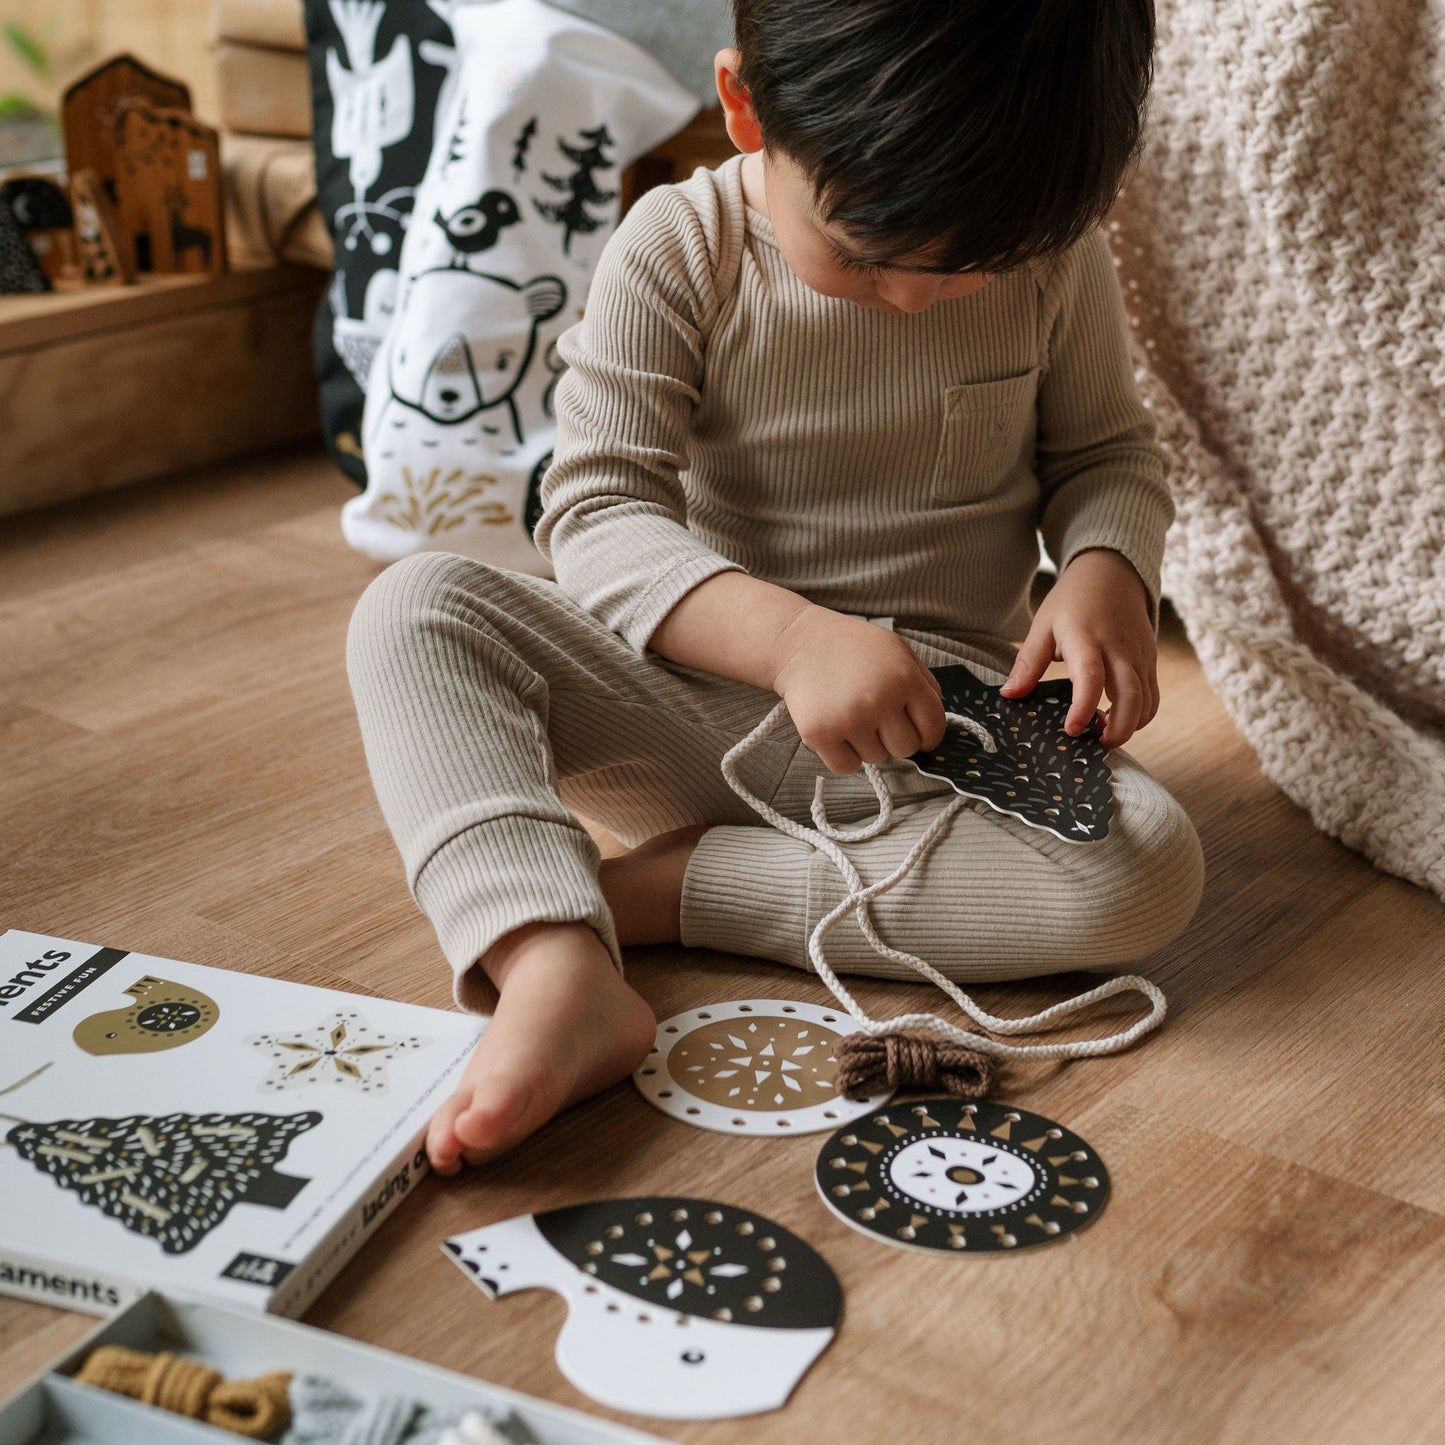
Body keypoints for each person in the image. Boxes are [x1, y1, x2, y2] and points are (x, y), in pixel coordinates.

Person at [347, 0, 1204, 1173]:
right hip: (702, 704)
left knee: (1148, 872)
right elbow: (595, 513)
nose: (912, 298)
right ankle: (552, 959)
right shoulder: (680, 246)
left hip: (936, 741)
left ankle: (667, 892)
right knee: (415, 609)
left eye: (969, 271)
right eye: (860, 252)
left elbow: (1106, 455)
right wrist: (793, 640)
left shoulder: (1049, 248)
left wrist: (1105, 565)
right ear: (744, 107)